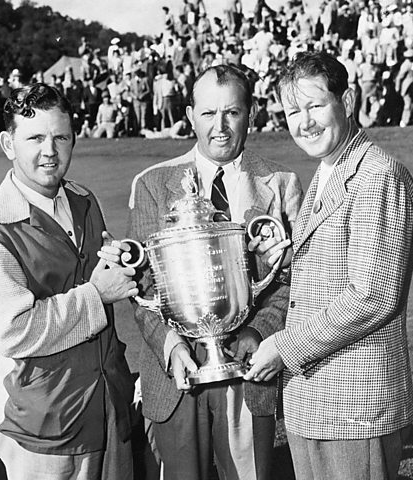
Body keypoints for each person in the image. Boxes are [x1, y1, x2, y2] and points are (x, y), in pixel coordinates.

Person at [245, 51, 413, 480]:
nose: (304, 122)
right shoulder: (329, 169)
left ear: (348, 101)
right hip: (318, 402)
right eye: (293, 111)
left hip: (354, 406)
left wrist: (283, 348)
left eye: (316, 105)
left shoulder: (377, 175)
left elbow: (372, 295)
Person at [126, 64, 303, 480]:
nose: (219, 126)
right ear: (189, 116)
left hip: (249, 372)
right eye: (208, 114)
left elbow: (290, 278)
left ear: (252, 113)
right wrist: (170, 345)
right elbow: (143, 286)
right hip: (175, 378)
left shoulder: (281, 183)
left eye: (232, 112)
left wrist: (257, 330)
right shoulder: (152, 183)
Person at [0, 83, 139, 480]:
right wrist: (96, 295)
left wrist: (118, 261)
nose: (50, 151)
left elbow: (99, 276)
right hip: (46, 429)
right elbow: (13, 331)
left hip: (110, 407)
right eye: (35, 137)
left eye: (60, 137)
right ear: (8, 143)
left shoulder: (84, 200)